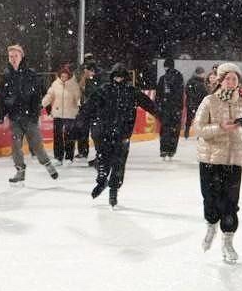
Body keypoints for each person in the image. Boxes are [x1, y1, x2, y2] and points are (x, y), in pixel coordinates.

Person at [192, 63, 242, 264]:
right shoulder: (209, 101)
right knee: (211, 200)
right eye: (227, 78)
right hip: (210, 160)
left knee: (230, 204)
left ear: (238, 83)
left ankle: (228, 242)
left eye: (235, 79)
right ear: (220, 81)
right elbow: (199, 128)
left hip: (233, 161)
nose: (231, 82)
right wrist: (221, 127)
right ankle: (211, 225)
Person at [75, 64, 159, 208]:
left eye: (121, 76)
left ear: (125, 77)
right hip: (105, 133)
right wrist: (79, 122)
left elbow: (149, 105)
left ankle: (113, 191)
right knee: (104, 162)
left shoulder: (132, 92)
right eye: (116, 76)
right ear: (112, 76)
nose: (119, 79)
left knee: (119, 166)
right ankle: (101, 181)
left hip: (123, 135)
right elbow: (88, 107)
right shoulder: (104, 90)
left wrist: (162, 116)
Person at [0, 44, 58, 185]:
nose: (13, 59)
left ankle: (47, 163)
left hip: (30, 117)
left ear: (21, 56)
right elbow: (0, 97)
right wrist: (0, 116)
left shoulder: (31, 74)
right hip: (14, 117)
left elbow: (43, 91)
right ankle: (20, 171)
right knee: (15, 145)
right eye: (10, 56)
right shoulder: (6, 75)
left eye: (15, 56)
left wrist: (46, 109)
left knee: (36, 145)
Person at [42, 64, 82, 164]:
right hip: (57, 114)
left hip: (70, 114)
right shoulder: (55, 84)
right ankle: (58, 157)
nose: (64, 78)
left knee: (69, 136)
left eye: (66, 76)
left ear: (69, 76)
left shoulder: (74, 85)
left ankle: (69, 157)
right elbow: (49, 96)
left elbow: (78, 97)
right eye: (62, 76)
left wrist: (79, 104)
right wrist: (42, 104)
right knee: (57, 136)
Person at [154, 57, 185, 160]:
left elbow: (158, 95)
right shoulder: (179, 77)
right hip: (175, 109)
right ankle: (171, 151)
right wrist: (179, 107)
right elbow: (181, 94)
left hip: (165, 108)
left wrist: (158, 107)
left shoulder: (163, 78)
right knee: (174, 130)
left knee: (165, 129)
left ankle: (163, 150)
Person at [75, 62, 99, 161]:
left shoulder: (95, 81)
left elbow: (92, 93)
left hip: (93, 110)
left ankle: (99, 154)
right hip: (83, 109)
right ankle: (83, 151)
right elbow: (79, 88)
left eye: (92, 71)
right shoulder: (81, 79)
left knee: (95, 133)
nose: (91, 73)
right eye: (89, 71)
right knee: (82, 131)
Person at [183, 67, 209, 139]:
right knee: (190, 118)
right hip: (192, 103)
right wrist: (194, 97)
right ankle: (187, 132)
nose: (202, 75)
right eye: (201, 73)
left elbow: (206, 93)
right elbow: (188, 91)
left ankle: (198, 134)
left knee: (199, 119)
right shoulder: (191, 81)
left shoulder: (204, 82)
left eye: (203, 73)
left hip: (199, 103)